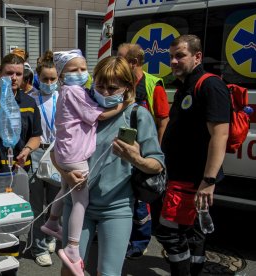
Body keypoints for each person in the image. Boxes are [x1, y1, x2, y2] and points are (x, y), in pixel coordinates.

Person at [58, 56, 164, 276]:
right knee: (69, 271)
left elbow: (157, 166)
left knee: (108, 273)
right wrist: (65, 173)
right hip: (77, 204)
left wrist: (136, 158)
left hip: (116, 209)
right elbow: (55, 151)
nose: (105, 93)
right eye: (100, 86)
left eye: (113, 88)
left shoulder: (137, 115)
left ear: (127, 87)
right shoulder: (81, 106)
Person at [39, 50, 123, 275]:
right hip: (75, 154)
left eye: (83, 69)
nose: (80, 73)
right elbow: (99, 115)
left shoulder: (67, 91)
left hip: (66, 151)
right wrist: (122, 105)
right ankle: (73, 248)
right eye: (73, 70)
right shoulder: (74, 91)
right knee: (80, 200)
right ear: (62, 74)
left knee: (66, 188)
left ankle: (52, 221)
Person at [156, 34, 230, 276]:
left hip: (193, 179)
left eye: (180, 56)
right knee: (193, 232)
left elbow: (220, 135)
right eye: (171, 57)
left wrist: (208, 182)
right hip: (182, 177)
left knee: (169, 231)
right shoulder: (186, 86)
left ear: (197, 56)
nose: (174, 61)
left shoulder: (210, 85)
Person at [0, 52, 42, 276]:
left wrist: (27, 150)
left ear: (24, 77)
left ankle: (9, 267)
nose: (13, 78)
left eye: (18, 74)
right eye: (9, 73)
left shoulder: (29, 103)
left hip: (17, 171)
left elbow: (36, 136)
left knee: (11, 222)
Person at [117, 43, 170, 259]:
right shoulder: (122, 82)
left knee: (141, 201)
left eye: (120, 58)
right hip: (123, 150)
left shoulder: (152, 84)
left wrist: (152, 151)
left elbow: (163, 119)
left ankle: (140, 242)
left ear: (133, 62)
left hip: (141, 153)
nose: (116, 61)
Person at [27, 50, 60, 267]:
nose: (49, 82)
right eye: (45, 79)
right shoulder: (31, 99)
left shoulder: (65, 96)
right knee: (37, 203)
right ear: (38, 77)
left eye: (53, 79)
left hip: (58, 152)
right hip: (37, 151)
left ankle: (50, 236)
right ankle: (38, 246)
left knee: (57, 202)